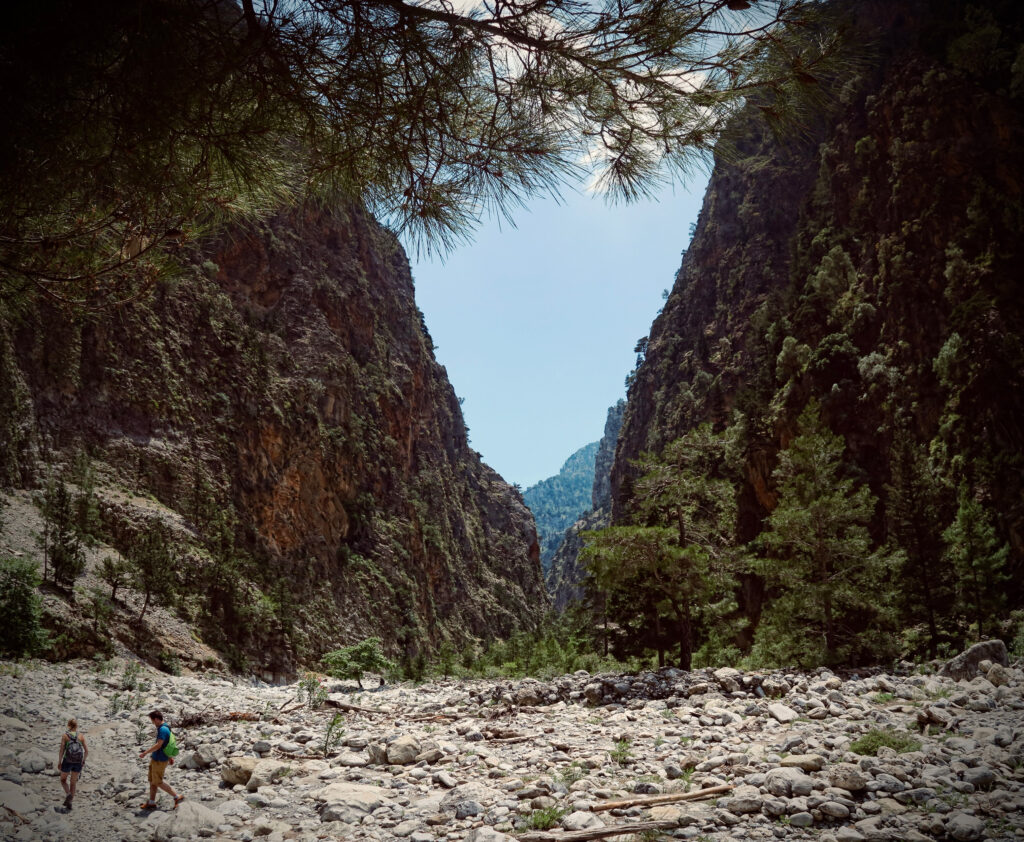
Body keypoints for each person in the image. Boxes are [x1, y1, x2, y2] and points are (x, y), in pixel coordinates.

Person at [138, 710, 183, 810]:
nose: (153, 723)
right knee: (152, 781)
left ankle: (177, 797)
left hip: (160, 760)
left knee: (158, 781)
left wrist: (145, 752)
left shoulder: (163, 730)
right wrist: (170, 757)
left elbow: (159, 745)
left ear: (157, 719)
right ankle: (151, 802)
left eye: (153, 721)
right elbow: (168, 744)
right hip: (157, 758)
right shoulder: (165, 727)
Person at [58, 718, 88, 810]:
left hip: (67, 761)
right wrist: (83, 760)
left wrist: (59, 761)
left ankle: (68, 794)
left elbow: (62, 750)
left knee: (63, 780)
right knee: (73, 783)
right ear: (77, 726)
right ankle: (70, 803)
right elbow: (86, 751)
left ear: (68, 725)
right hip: (78, 762)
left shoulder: (65, 736)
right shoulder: (81, 736)